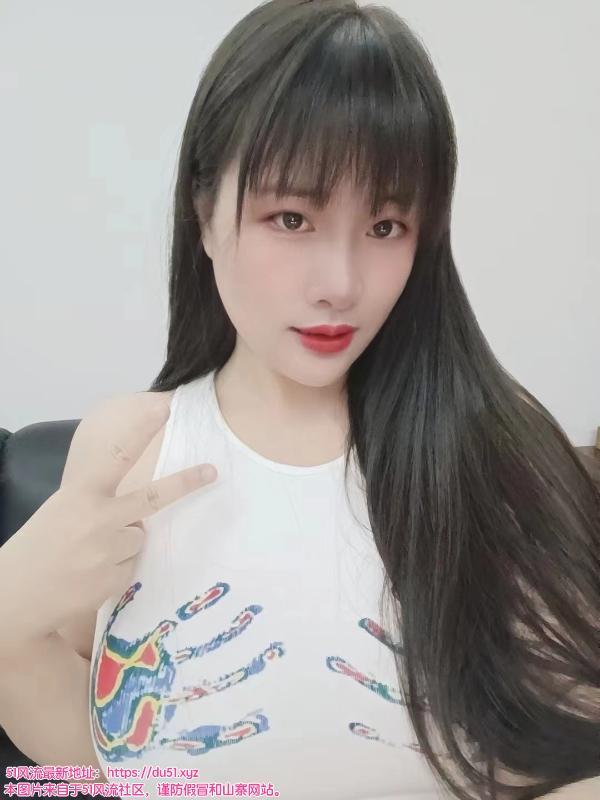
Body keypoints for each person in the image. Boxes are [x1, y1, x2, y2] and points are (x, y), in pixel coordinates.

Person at [0, 2, 598, 799]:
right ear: (203, 212)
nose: (340, 285)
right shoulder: (131, 447)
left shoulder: (493, 448)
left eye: (385, 226)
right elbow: (108, 762)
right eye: (292, 217)